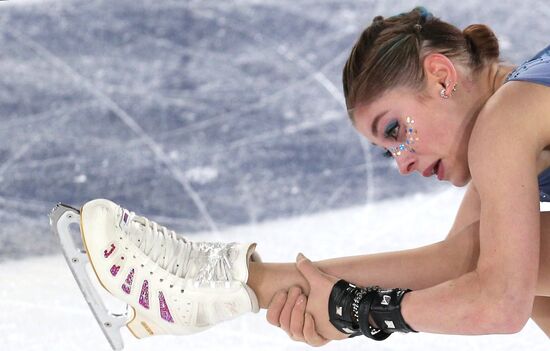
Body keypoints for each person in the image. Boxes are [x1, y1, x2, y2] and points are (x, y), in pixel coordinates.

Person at [73, 6, 550, 347]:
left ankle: (226, 287)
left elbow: (497, 302)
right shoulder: (518, 115)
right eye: (387, 151)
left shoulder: (503, 122)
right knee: (504, 260)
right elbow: (464, 268)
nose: (403, 161)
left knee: (502, 268)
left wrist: (359, 311)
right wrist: (338, 309)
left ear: (442, 76)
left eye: (394, 129)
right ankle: (226, 288)